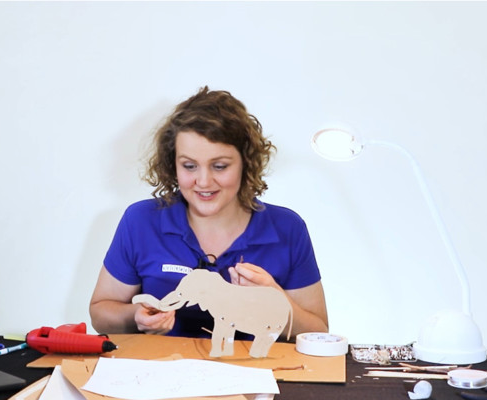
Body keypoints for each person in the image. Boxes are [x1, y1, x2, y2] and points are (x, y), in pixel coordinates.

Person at [89, 86, 328, 340]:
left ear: (246, 163)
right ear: (173, 164)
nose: (203, 181)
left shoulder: (287, 228)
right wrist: (134, 316)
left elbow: (319, 333)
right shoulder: (140, 221)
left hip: (256, 374)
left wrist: (276, 299)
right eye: (189, 166)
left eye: (220, 166)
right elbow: (100, 314)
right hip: (160, 374)